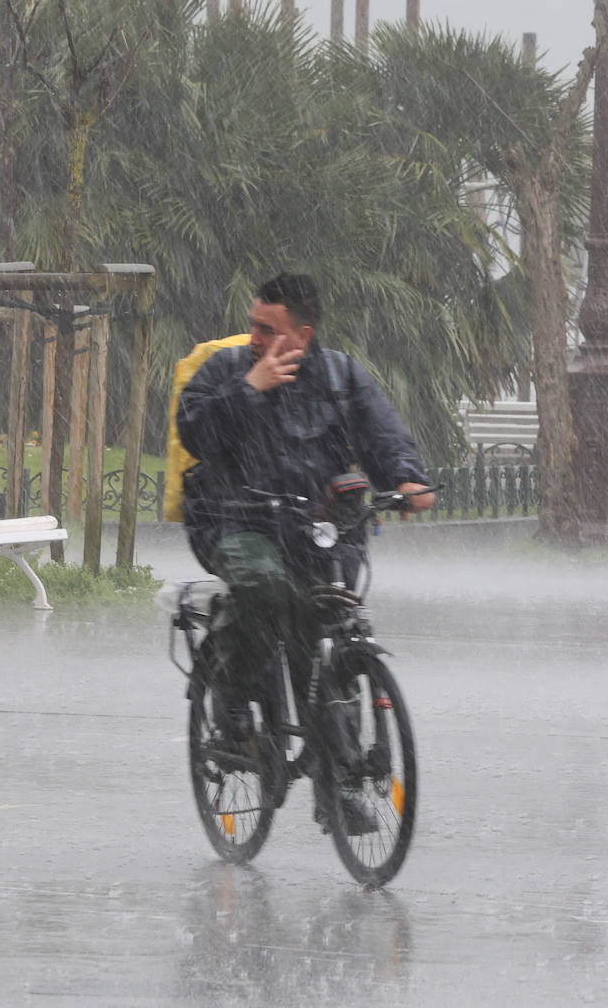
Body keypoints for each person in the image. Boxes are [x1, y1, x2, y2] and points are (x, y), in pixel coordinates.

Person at [177, 273, 435, 833]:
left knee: (328, 639)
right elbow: (193, 430)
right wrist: (251, 387)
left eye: (267, 330)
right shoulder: (227, 370)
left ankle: (338, 784)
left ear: (302, 333)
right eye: (252, 325)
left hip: (317, 531)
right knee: (268, 588)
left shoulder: (341, 376)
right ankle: (234, 709)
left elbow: (384, 434)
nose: (253, 337)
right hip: (235, 523)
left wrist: (409, 481)